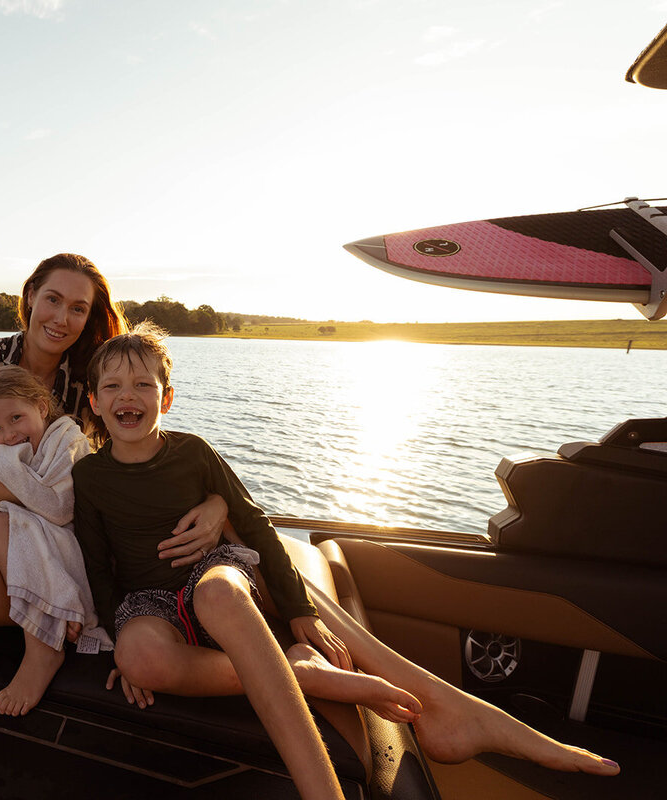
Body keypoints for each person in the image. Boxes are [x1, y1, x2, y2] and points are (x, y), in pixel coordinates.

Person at [74, 323, 620, 784]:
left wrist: (298, 610)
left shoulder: (193, 453)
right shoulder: (89, 477)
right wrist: (114, 638)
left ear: (166, 397)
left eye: (144, 384)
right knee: (139, 657)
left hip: (212, 576)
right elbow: (99, 567)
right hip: (150, 601)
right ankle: (301, 675)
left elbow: (256, 526)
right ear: (94, 402)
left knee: (219, 592)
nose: (129, 396)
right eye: (114, 386)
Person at [0, 254, 228, 637]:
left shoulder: (89, 377)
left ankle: (53, 608)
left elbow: (137, 453)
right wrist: (49, 502)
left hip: (66, 542)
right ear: (31, 296)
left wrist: (217, 503)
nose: (61, 318)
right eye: (53, 299)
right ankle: (65, 609)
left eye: (78, 308)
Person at [0, 364, 108, 716]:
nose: (9, 435)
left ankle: (42, 648)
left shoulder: (68, 440)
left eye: (17, 418)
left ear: (41, 406)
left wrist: (6, 468)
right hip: (34, 537)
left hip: (71, 540)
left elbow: (60, 507)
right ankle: (50, 610)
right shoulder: (9, 450)